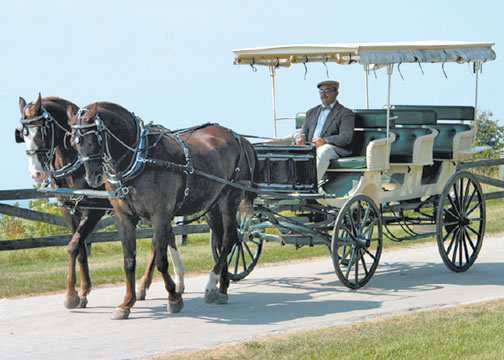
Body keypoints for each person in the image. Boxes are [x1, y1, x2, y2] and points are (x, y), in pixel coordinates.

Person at [295, 80, 355, 183]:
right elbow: (303, 133)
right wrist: (300, 139)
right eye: (321, 91)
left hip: (334, 149)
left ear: (336, 93)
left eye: (327, 90)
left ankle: (309, 186)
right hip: (311, 147)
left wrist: (325, 141)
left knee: (324, 150)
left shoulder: (345, 113)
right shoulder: (311, 112)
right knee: (287, 151)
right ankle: (283, 186)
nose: (323, 94)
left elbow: (346, 137)